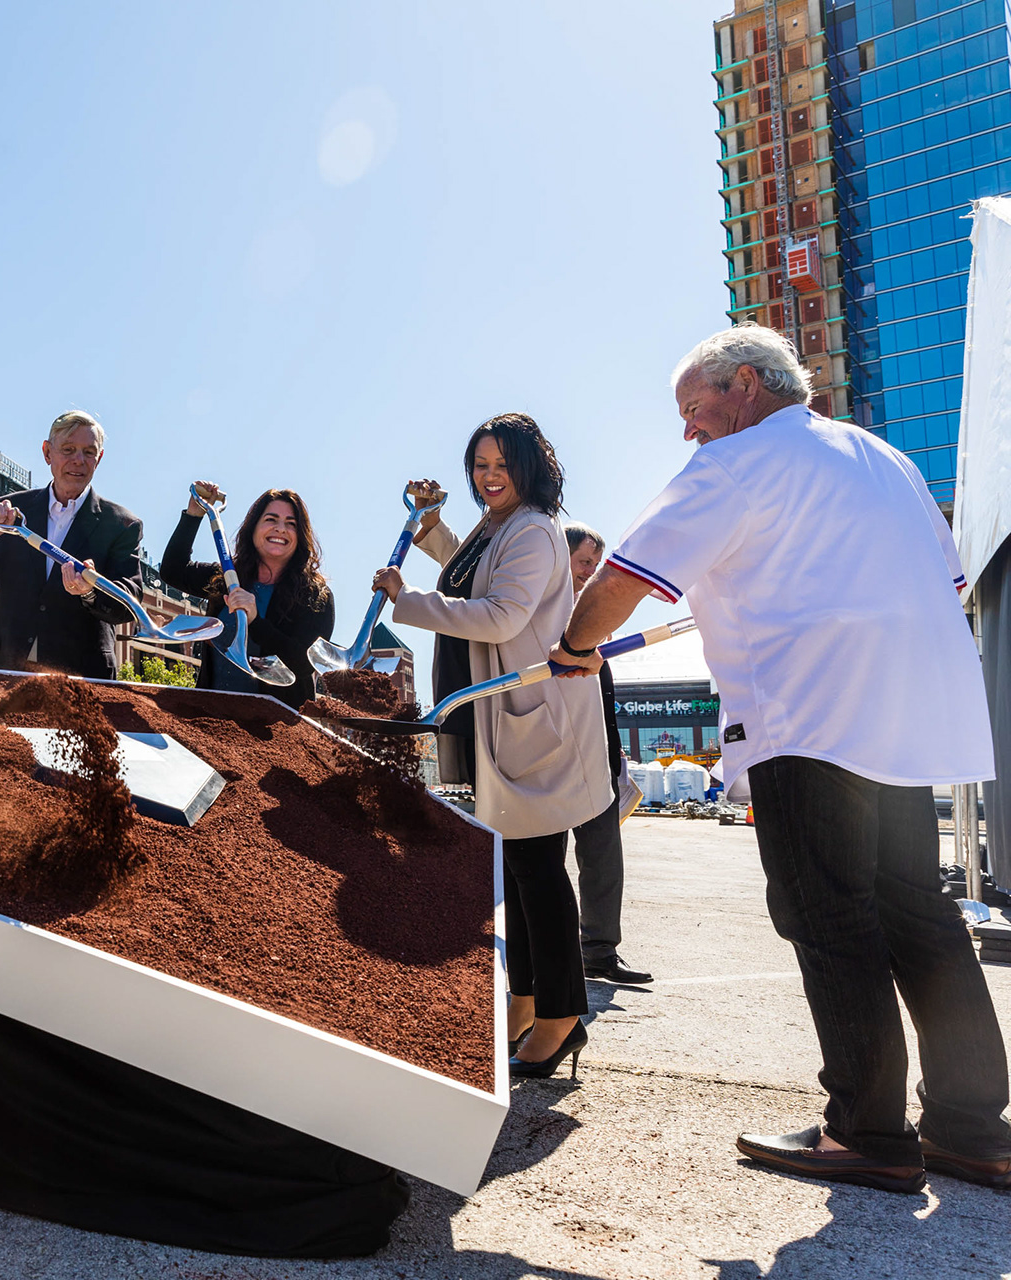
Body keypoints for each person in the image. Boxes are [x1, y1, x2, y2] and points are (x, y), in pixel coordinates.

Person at [555, 324, 1011, 1194]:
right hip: (911, 712)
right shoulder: (884, 460)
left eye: (694, 410)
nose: (688, 432)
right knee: (920, 913)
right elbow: (950, 584)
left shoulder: (736, 463)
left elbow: (623, 580)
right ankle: (972, 1130)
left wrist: (576, 645)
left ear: (745, 386)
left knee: (828, 912)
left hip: (811, 714)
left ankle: (864, 1132)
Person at [373, 414, 610, 1080]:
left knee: (537, 871)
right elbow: (467, 573)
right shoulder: (497, 528)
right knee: (516, 870)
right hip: (491, 718)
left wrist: (407, 601)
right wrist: (429, 525)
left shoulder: (534, 529)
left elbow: (502, 613)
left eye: (502, 462)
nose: (489, 474)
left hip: (523, 720)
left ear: (532, 466)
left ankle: (562, 1016)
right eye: (479, 463)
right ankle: (527, 1001)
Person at [0, 411, 142, 679]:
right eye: (68, 449)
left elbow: (129, 602)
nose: (78, 460)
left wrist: (89, 591)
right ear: (47, 452)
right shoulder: (11, 512)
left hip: (80, 680)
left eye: (88, 452)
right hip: (2, 670)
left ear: (99, 458)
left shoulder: (122, 525)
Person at [560, 522, 651, 986]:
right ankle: (549, 955)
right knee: (546, 863)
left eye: (596, 565)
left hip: (599, 759)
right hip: (553, 757)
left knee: (603, 858)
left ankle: (599, 952)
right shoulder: (541, 613)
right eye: (583, 563)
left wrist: (617, 761)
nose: (590, 573)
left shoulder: (595, 617)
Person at [159, 482, 334, 708]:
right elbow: (173, 571)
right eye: (270, 520)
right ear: (253, 528)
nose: (280, 529)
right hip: (211, 716)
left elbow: (304, 663)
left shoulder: (315, 595)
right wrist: (194, 514)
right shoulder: (226, 578)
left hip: (276, 726)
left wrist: (256, 623)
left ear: (300, 536)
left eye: (291, 524)